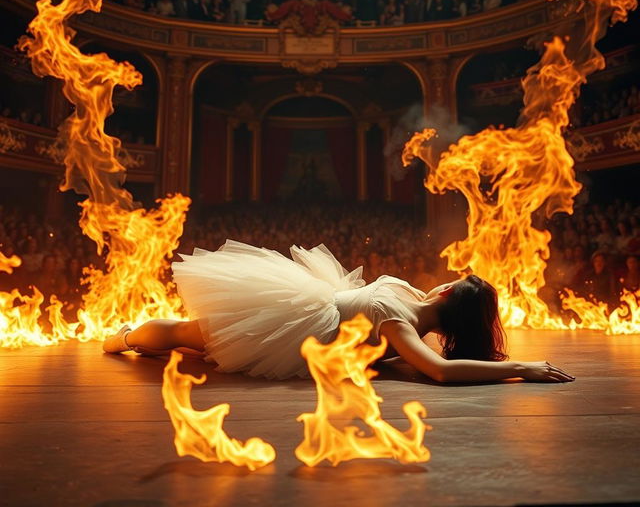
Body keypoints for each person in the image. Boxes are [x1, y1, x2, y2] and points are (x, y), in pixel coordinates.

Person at [103, 241, 574, 384]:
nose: (443, 280)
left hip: (297, 325)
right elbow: (421, 364)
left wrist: (520, 368)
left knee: (184, 336)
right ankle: (127, 339)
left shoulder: (400, 320)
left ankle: (124, 338)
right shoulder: (406, 303)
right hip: (298, 308)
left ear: (449, 296)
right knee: (187, 336)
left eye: (451, 283)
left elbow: (441, 372)